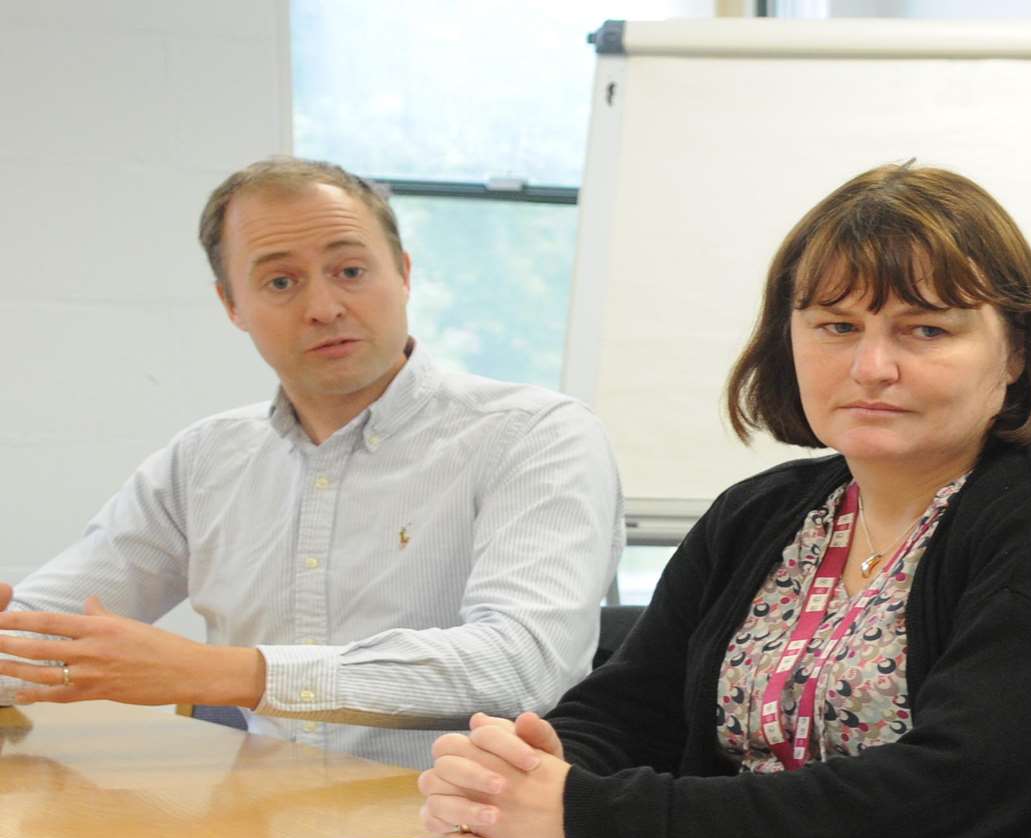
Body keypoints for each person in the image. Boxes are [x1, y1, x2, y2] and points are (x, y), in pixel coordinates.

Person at [416, 163, 1031, 838]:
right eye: (836, 327)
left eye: (925, 329)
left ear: (1018, 354)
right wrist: (522, 768)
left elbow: (950, 795)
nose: (871, 367)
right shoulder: (766, 513)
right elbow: (632, 709)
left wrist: (593, 813)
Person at [0, 158, 624, 769]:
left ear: (404, 274)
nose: (324, 307)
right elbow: (37, 639)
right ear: (232, 305)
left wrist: (227, 673)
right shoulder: (205, 460)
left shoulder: (535, 435)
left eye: (351, 270)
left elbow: (522, 665)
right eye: (280, 283)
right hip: (258, 826)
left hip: (463, 829)